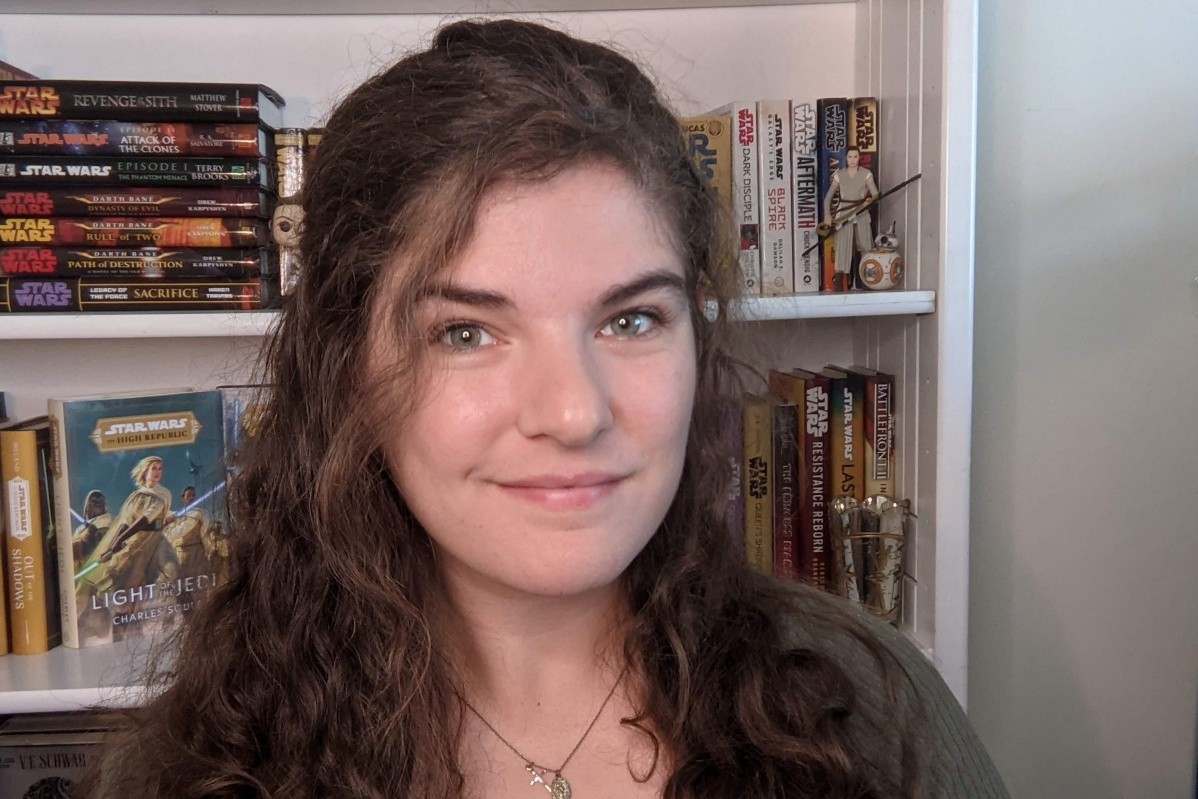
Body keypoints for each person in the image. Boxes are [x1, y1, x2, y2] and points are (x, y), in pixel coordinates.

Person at [84, 19, 1007, 799]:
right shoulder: (194, 766)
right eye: (466, 333)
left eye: (632, 318)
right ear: (348, 370)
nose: (572, 414)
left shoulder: (872, 712)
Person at [822, 146, 880, 291]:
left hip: (861, 212)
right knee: (842, 246)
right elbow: (828, 197)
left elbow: (875, 194)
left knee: (865, 244)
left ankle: (866, 281)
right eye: (850, 157)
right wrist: (828, 215)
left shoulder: (866, 174)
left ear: (859, 158)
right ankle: (839, 283)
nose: (853, 160)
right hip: (844, 213)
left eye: (855, 156)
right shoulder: (839, 175)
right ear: (846, 158)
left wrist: (869, 201)